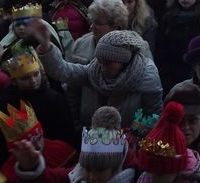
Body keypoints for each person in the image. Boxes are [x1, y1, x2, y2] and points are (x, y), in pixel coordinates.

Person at [33, 21, 163, 128]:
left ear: (124, 62)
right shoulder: (94, 71)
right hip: (93, 140)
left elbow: (152, 115)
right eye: (100, 62)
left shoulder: (146, 76)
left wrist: (135, 138)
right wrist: (46, 47)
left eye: (108, 63)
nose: (102, 68)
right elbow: (64, 71)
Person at [12, 106, 136, 183]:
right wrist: (31, 167)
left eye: (100, 170)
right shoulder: (77, 177)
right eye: (87, 168)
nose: (92, 177)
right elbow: (48, 181)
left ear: (114, 168)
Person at [136, 102, 200, 183]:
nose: (152, 179)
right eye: (148, 170)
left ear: (177, 170)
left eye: (160, 174)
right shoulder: (145, 180)